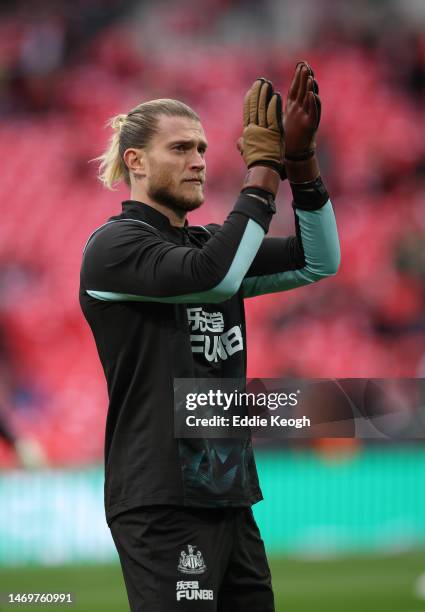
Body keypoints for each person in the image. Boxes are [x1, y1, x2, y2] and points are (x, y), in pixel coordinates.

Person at [80, 62, 340, 612]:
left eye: (201, 147)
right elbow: (213, 278)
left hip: (228, 491)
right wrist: (264, 169)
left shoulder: (209, 244)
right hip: (160, 498)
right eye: (179, 148)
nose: (198, 159)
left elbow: (320, 260)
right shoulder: (113, 249)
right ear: (136, 161)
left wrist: (301, 163)